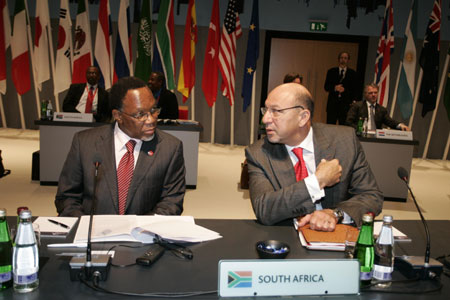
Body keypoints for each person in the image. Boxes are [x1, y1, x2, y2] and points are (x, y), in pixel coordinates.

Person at [245, 83, 383, 230]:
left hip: (337, 237)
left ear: (303, 117)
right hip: (286, 238)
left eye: (276, 111)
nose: (265, 119)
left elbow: (371, 196)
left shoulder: (345, 140)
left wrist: (336, 214)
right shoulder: (258, 153)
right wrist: (316, 182)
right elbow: (264, 209)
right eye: (266, 110)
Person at [55, 77, 186, 217]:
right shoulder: (84, 142)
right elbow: (67, 197)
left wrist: (142, 230)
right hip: (93, 233)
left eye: (154, 110)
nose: (151, 120)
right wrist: (86, 227)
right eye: (140, 114)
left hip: (143, 234)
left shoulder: (170, 148)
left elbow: (171, 202)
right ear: (118, 115)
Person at [324, 51, 358, 125]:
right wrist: (335, 88)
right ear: (338, 59)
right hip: (332, 105)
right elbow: (326, 87)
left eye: (345, 58)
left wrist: (346, 91)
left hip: (345, 105)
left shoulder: (352, 73)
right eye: (341, 58)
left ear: (348, 60)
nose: (343, 60)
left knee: (343, 127)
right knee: (330, 126)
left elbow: (354, 89)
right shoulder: (331, 71)